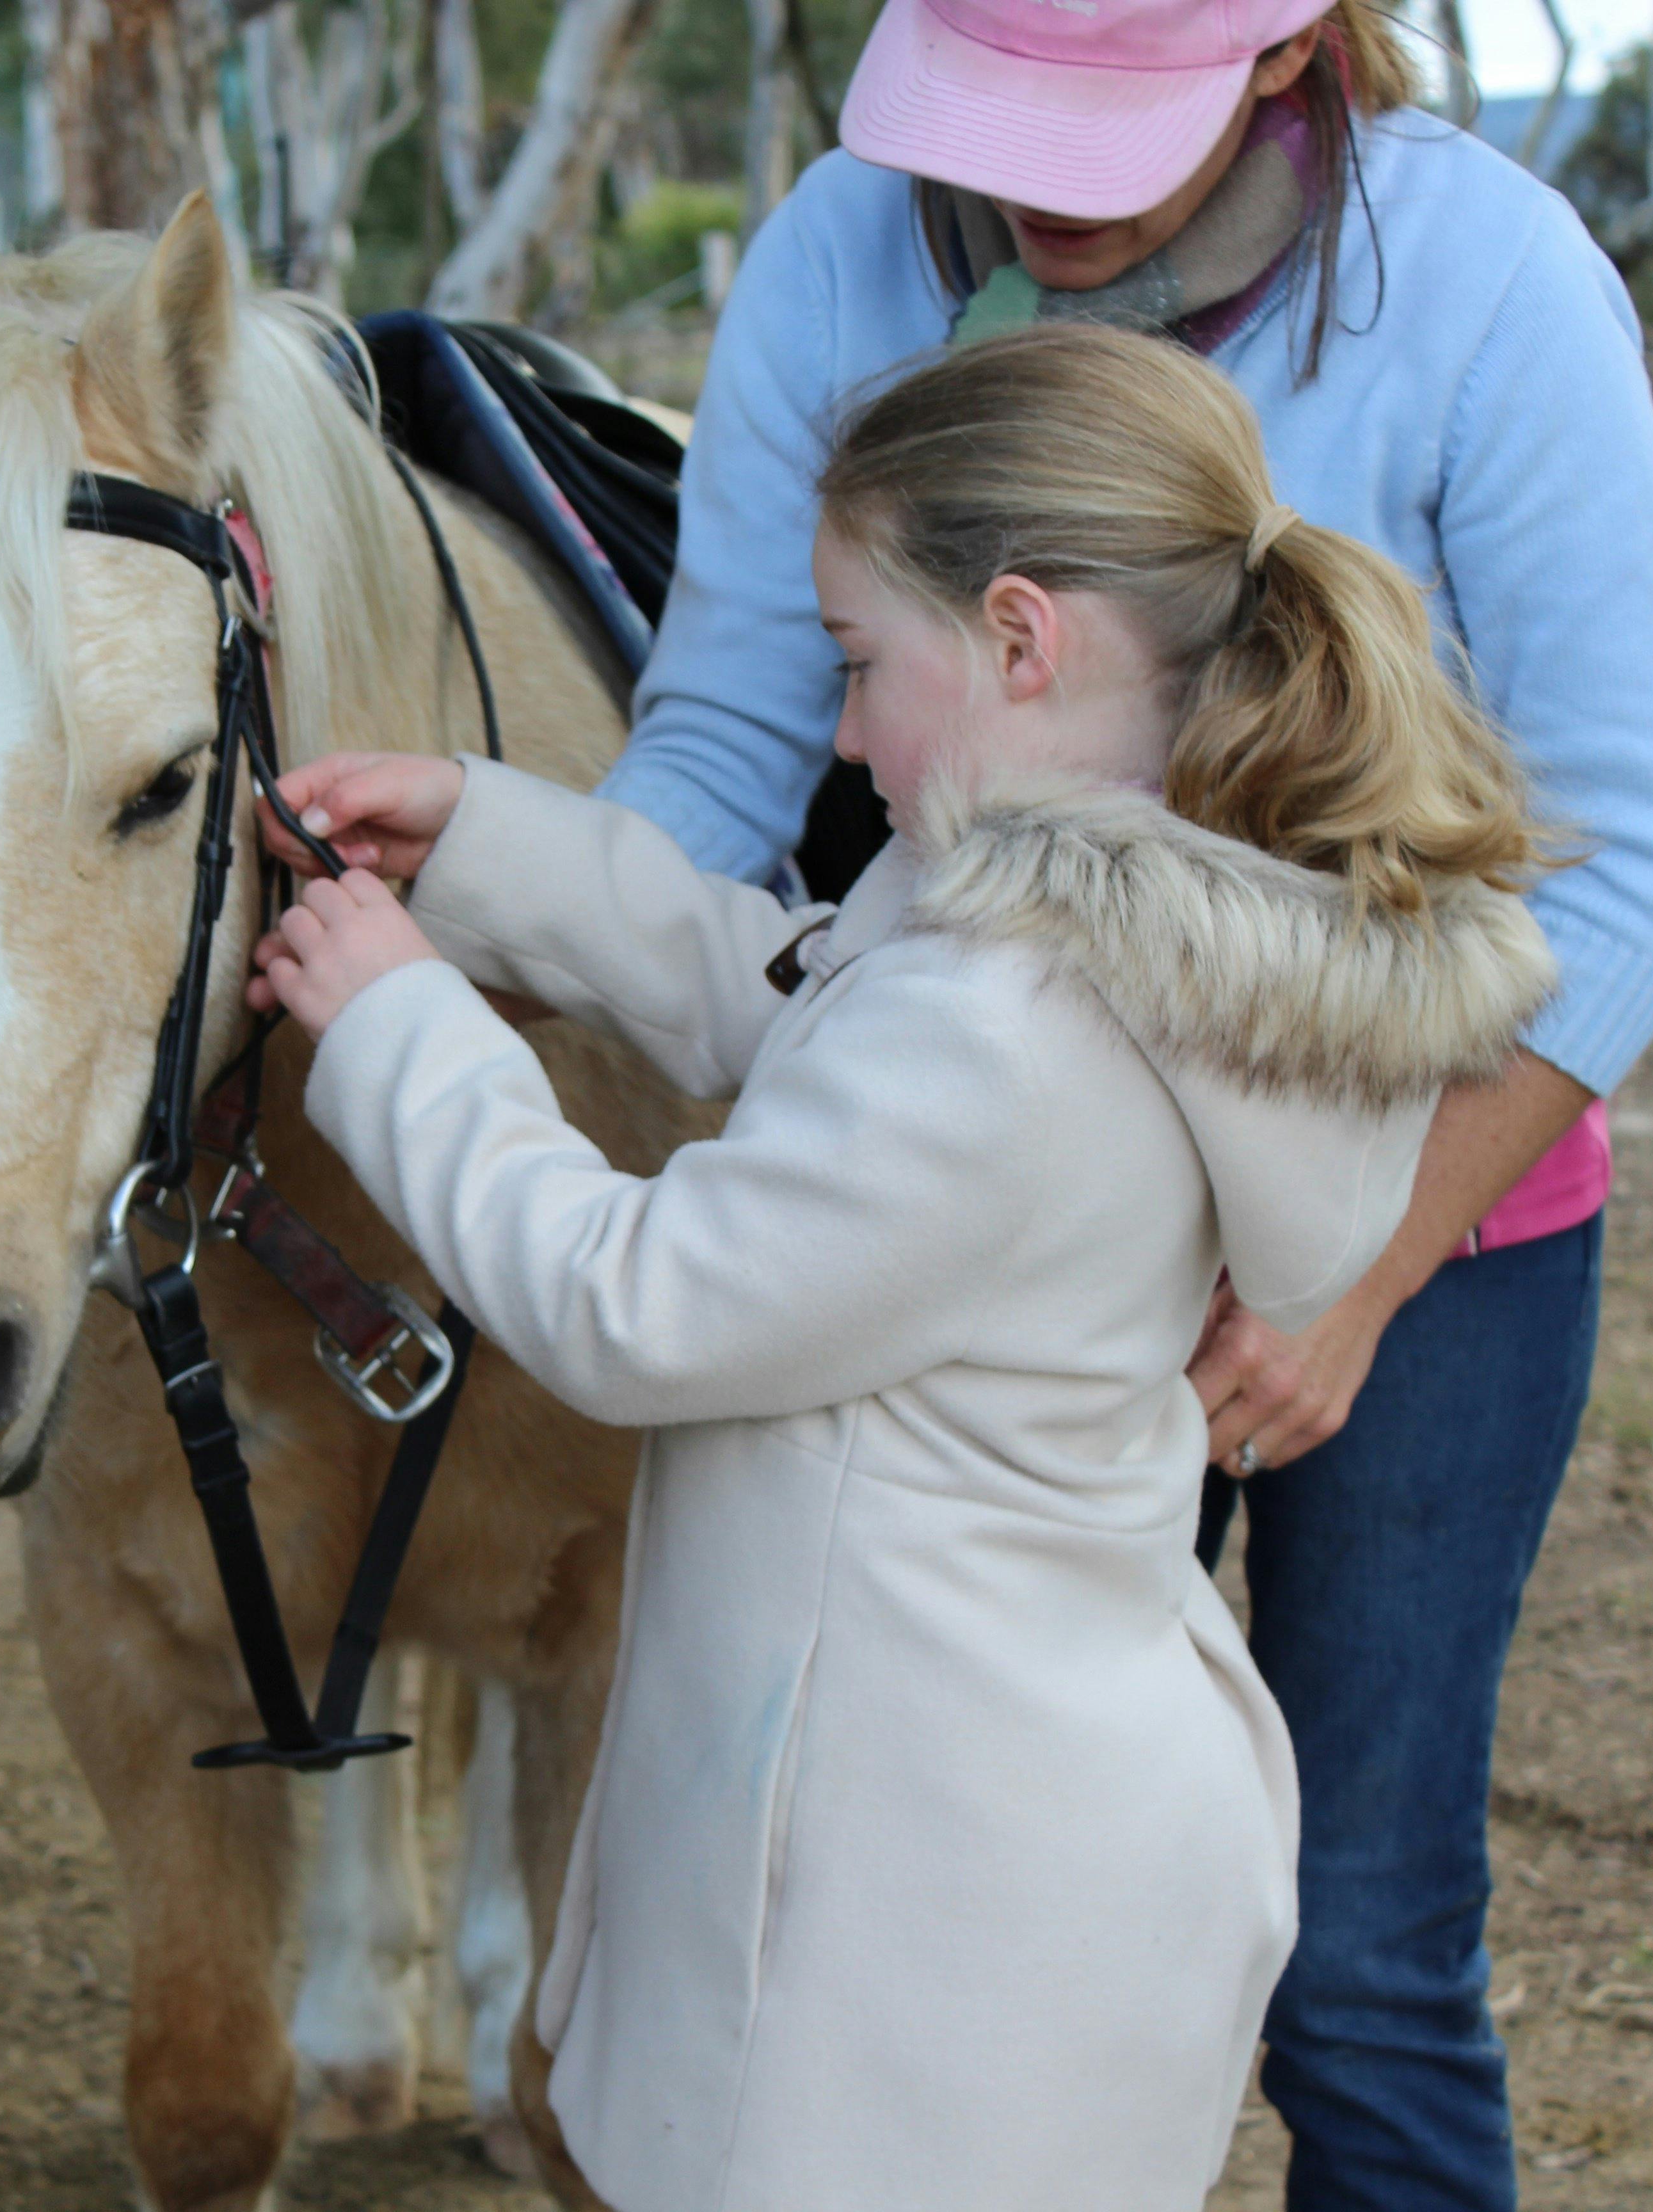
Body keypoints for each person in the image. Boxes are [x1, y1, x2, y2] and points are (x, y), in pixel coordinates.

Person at [589, 4, 1653, 2203]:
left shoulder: (1490, 281)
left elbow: (1647, 859)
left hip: (1432, 1228)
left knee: (1366, 1944)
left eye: (1102, 114)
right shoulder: (842, 252)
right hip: (1014, 1211)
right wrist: (512, 925)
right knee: (929, 1902)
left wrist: (1356, 1284)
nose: (1040, 182)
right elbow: (730, 742)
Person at [243, 326, 1559, 2212]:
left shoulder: (1003, 1028)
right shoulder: (1112, 927)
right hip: (1003, 1856)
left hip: (900, 1926)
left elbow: (637, 1302)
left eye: (862, 665)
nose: (845, 736)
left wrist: (397, 1028)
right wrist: (492, 846)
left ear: (1021, 639)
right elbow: (797, 994)